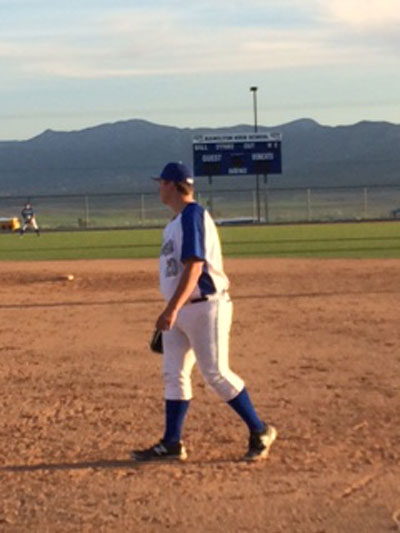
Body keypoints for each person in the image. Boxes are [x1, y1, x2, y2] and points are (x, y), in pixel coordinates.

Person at [131, 162, 277, 462]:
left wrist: (171, 309)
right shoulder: (173, 223)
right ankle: (172, 443)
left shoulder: (192, 215)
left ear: (172, 185)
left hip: (205, 306)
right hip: (181, 309)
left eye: (161, 183)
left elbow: (195, 265)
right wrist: (172, 308)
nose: (159, 187)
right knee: (174, 374)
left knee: (215, 373)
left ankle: (260, 429)